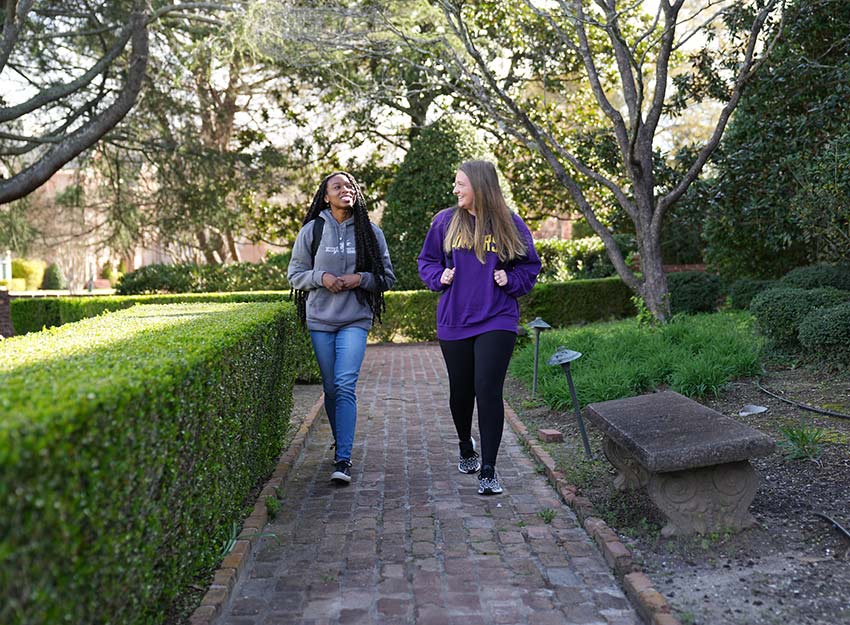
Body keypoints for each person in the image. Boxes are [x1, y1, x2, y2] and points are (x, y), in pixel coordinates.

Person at [418, 160, 541, 495]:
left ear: (480, 185)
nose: (455, 189)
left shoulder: (508, 222)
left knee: (487, 389)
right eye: (455, 184)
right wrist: (437, 277)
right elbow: (426, 261)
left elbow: (529, 264)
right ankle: (464, 444)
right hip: (455, 319)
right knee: (462, 391)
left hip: (497, 317)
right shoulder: (445, 221)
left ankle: (489, 468)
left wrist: (511, 278)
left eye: (461, 184)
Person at [288, 171, 395, 485]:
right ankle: (341, 442)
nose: (345, 190)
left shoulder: (371, 232)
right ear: (326, 196)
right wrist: (320, 278)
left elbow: (387, 278)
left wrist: (359, 279)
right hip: (320, 320)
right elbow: (295, 275)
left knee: (345, 385)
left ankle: (343, 458)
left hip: (354, 319)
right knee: (331, 388)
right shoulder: (312, 230)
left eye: (350, 186)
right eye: (337, 186)